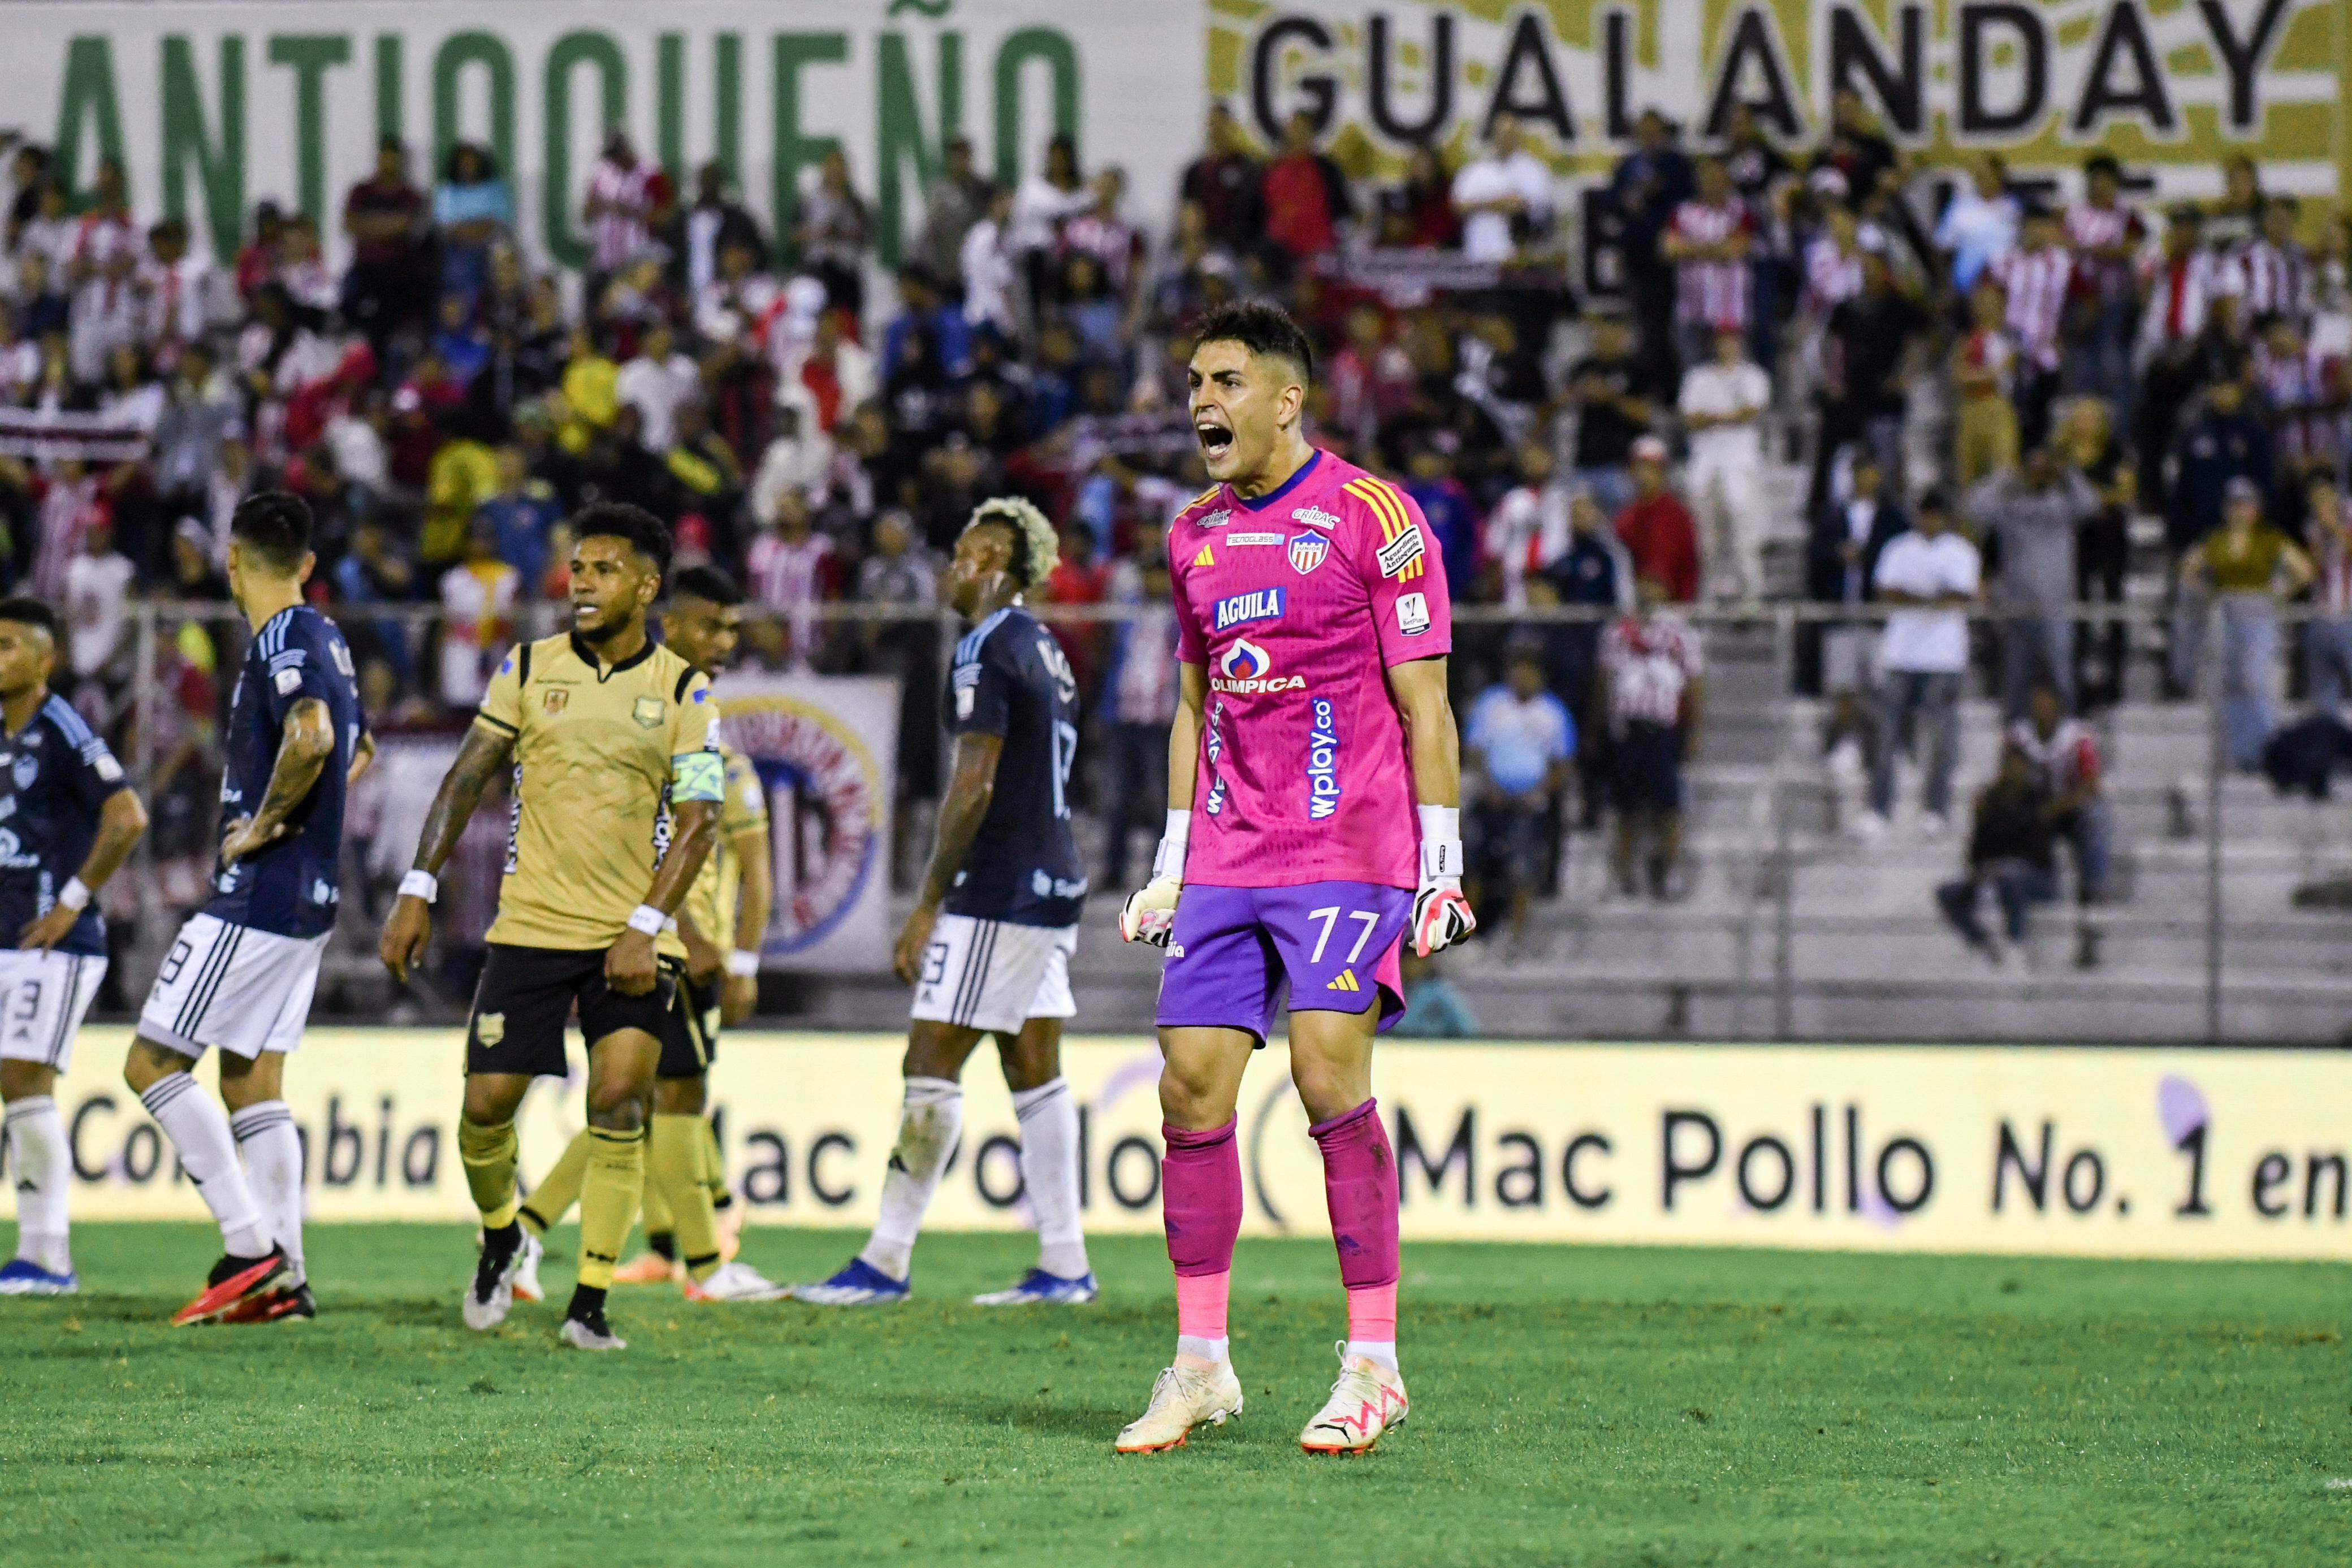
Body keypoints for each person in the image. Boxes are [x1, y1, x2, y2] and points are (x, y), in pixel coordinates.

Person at [1112, 300, 1473, 1457]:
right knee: (1188, 1089)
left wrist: (1441, 864)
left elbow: (1425, 700)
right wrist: (1170, 864)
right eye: (1192, 383)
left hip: (1347, 846)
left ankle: (1372, 1362)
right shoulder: (1191, 535)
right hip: (1227, 849)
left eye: (1223, 382)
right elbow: (1191, 704)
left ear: (1285, 397)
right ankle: (1201, 1365)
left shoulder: (1377, 516)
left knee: (1326, 1071)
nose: (1200, 403)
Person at [378, 503, 723, 1353]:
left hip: (635, 937)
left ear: (647, 587)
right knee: (485, 1110)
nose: (582, 584)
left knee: (620, 1100)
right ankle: (503, 1234)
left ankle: (590, 1304)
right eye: (577, 569)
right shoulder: (527, 668)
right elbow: (467, 777)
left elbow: (700, 819)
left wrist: (647, 924)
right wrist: (418, 885)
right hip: (531, 923)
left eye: (604, 570)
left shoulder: (685, 688)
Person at [792, 497, 1096, 1309]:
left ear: (996, 562)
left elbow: (975, 782)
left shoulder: (986, 646)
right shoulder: (1050, 649)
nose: (950, 565)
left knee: (931, 1059)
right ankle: (1065, 1264)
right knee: (1033, 1068)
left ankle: (886, 1259)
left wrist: (929, 901)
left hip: (999, 888)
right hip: (1054, 878)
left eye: (964, 552)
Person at [123, 492, 373, 1326]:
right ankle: (288, 1280)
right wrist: (312, 817)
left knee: (152, 1064)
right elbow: (358, 750)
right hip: (312, 894)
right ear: (303, 561)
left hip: (259, 892)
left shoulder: (281, 639)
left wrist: (263, 824)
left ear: (233, 562)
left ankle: (249, 1244)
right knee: (252, 1078)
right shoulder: (330, 636)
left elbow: (314, 739)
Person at [517, 568, 781, 1302]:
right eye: (709, 626)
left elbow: (753, 865)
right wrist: (687, 928)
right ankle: (706, 1261)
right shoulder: (647, 725)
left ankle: (528, 1234)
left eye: (732, 629)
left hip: (670, 944)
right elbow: (630, 839)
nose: (723, 642)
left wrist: (741, 953)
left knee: (638, 1102)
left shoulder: (710, 739)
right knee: (668, 1098)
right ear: (670, 624)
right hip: (652, 944)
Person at [0, 601, 148, 1295]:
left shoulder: (63, 728)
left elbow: (127, 816)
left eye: (7, 646)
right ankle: (37, 1254)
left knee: (24, 1081)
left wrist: (71, 901)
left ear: (44, 658)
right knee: (16, 1084)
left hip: (52, 940)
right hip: (9, 937)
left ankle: (48, 1255)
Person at [2177, 476, 2314, 769]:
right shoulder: (2217, 539)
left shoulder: (2268, 538)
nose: (2239, 511)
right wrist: (2210, 592)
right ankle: (2241, 751)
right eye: (2234, 504)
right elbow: (2189, 568)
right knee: (2231, 682)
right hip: (2227, 610)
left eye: (2245, 504)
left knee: (2253, 679)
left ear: (2256, 507)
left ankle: (2266, 746)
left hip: (2258, 609)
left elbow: (2303, 569)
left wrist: (2278, 594)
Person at [1864, 489, 1978, 841]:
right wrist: (1931, 598)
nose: (1930, 521)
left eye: (1936, 515)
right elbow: (1886, 592)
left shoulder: (1962, 552)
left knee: (1942, 738)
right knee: (1885, 736)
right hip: (1901, 654)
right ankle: (1879, 808)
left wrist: (1916, 598)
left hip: (1943, 657)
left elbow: (1961, 596)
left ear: (1945, 517)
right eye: (1925, 514)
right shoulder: (1898, 548)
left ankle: (1936, 809)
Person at [1966, 441, 2099, 719]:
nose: (2038, 473)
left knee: (2062, 676)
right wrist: (2007, 476)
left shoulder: (2062, 505)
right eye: (2033, 467)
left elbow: (2091, 505)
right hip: (2016, 609)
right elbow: (1974, 508)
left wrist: (2066, 473)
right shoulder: (2010, 505)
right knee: (2016, 681)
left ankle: (2069, 738)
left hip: (2057, 608)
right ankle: (2014, 742)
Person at [1597, 574, 1704, 897]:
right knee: (1625, 806)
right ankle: (1623, 872)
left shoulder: (1679, 633)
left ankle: (1668, 870)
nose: (1646, 590)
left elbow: (1695, 682)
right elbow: (1605, 679)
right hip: (1627, 728)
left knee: (1668, 806)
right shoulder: (1618, 631)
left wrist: (1695, 730)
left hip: (1662, 729)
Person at [1464, 643, 1575, 946]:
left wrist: (1538, 791)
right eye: (1517, 670)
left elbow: (1562, 763)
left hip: (1530, 804)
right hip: (1491, 799)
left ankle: (1516, 937)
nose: (1522, 677)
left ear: (1540, 676)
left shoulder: (1553, 713)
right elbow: (1475, 750)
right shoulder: (1491, 704)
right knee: (1470, 862)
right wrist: (1489, 787)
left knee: (1521, 870)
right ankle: (1466, 936)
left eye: (1529, 671)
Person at [2007, 682, 2113, 969]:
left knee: (2095, 818)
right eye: (2036, 704)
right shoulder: (2019, 737)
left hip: (2069, 810)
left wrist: (2057, 807)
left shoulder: (2078, 737)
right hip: (2034, 813)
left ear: (2060, 709)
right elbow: (2008, 784)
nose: (2041, 710)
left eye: (2047, 704)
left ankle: (2094, 889)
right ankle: (2015, 926)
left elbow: (2092, 787)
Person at [1935, 746, 2058, 968]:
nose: (2012, 772)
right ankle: (1982, 943)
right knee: (1947, 893)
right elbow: (1976, 852)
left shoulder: (2038, 801)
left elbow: (2040, 853)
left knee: (2010, 875)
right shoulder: (1988, 803)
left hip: (2036, 877)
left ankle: (2015, 942)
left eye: (2018, 767)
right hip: (1992, 873)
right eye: (2007, 766)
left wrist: (2002, 864)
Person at [1677, 326, 1771, 600]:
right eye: (1722, 341)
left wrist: (1712, 418)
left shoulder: (1752, 375)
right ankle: (1707, 596)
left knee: (1744, 532)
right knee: (1704, 537)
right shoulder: (1698, 377)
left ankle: (1751, 596)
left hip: (1740, 462)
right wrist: (1730, 417)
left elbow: (1751, 412)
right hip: (1705, 463)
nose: (1727, 346)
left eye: (1732, 341)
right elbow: (1690, 420)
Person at [1661, 156, 1752, 376]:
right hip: (1690, 307)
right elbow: (1670, 249)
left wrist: (1692, 248)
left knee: (1730, 373)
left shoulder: (1739, 211)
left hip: (1728, 309)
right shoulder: (1684, 212)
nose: (1713, 183)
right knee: (1693, 374)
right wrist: (1716, 249)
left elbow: (1737, 249)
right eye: (1707, 178)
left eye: (1718, 178)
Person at [1449, 112, 1551, 265]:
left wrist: (1478, 204)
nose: (1504, 139)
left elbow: (1524, 206)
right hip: (1476, 254)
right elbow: (1458, 206)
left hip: (1516, 259)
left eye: (1509, 134)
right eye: (1500, 134)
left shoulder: (1534, 170)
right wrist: (1499, 203)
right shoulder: (1477, 170)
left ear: (1518, 136)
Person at [1614, 435, 1700, 603]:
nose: (1645, 474)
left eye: (1653, 468)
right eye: (1640, 467)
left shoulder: (1677, 515)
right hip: (1633, 602)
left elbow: (1673, 573)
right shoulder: (1626, 516)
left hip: (1675, 607)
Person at [1931, 153, 2019, 296]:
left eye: (1989, 175)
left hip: (2006, 293)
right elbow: (1941, 249)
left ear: (2000, 176)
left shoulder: (2015, 207)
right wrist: (1944, 288)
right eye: (1980, 175)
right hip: (1965, 292)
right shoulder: (1960, 207)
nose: (1985, 180)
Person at [2304, 473, 2352, 716]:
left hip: (2349, 617)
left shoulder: (2348, 516)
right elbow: (2314, 567)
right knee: (2324, 696)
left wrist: (2334, 524)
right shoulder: (2313, 526)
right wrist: (2325, 531)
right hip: (2321, 617)